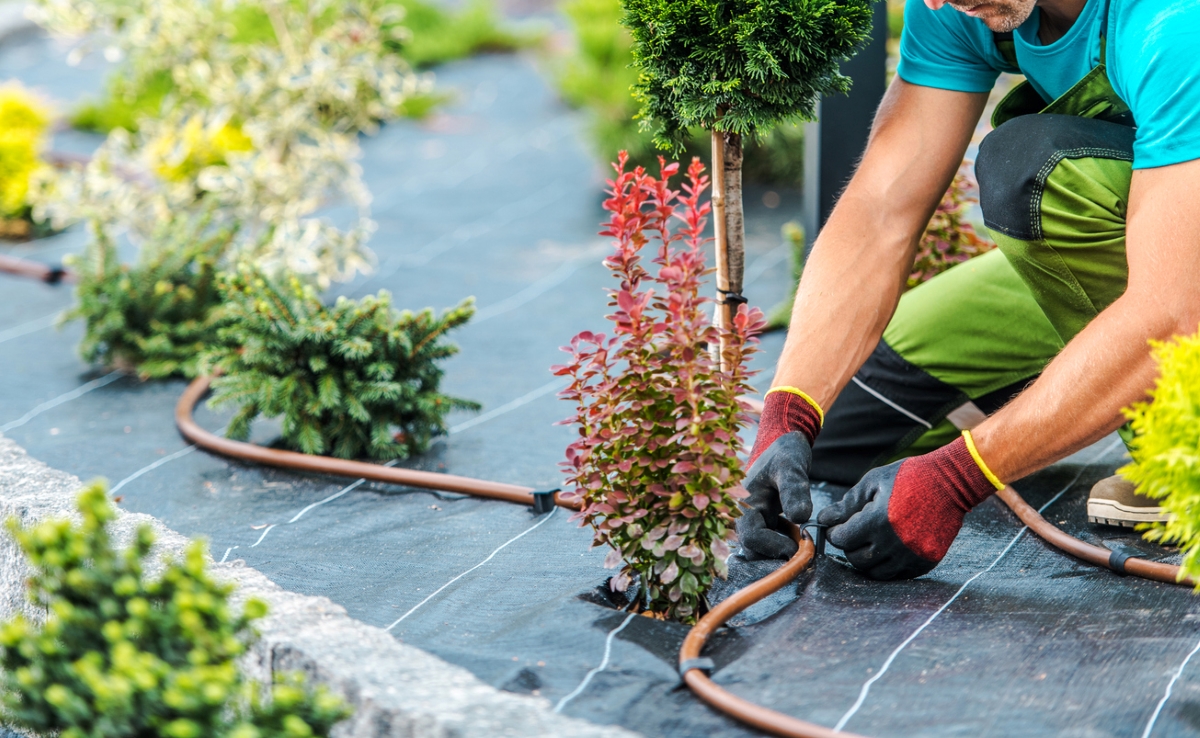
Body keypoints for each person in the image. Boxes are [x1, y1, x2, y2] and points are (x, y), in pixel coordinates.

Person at [739, 0, 1200, 579]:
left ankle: (1183, 457)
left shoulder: (1175, 23)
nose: (933, 1)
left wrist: (960, 475)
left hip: (1180, 273)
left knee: (1035, 172)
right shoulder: (960, 3)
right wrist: (788, 412)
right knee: (842, 431)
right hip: (1144, 238)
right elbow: (882, 209)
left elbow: (1172, 313)